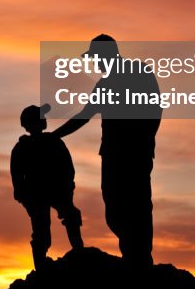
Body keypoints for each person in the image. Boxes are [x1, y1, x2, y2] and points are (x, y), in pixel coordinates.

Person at [52, 34, 162, 268]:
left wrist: (145, 139)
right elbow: (85, 114)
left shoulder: (138, 73)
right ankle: (134, 256)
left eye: (96, 58)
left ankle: (140, 260)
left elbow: (155, 108)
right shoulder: (105, 83)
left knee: (136, 206)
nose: (95, 63)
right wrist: (54, 135)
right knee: (116, 208)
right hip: (113, 155)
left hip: (132, 155)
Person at [10, 103, 84, 270]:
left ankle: (77, 252)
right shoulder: (26, 147)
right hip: (38, 194)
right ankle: (43, 266)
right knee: (43, 230)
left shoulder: (47, 143)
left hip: (54, 191)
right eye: (41, 117)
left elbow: (68, 168)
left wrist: (68, 186)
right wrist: (22, 193)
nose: (45, 119)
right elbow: (16, 176)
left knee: (65, 218)